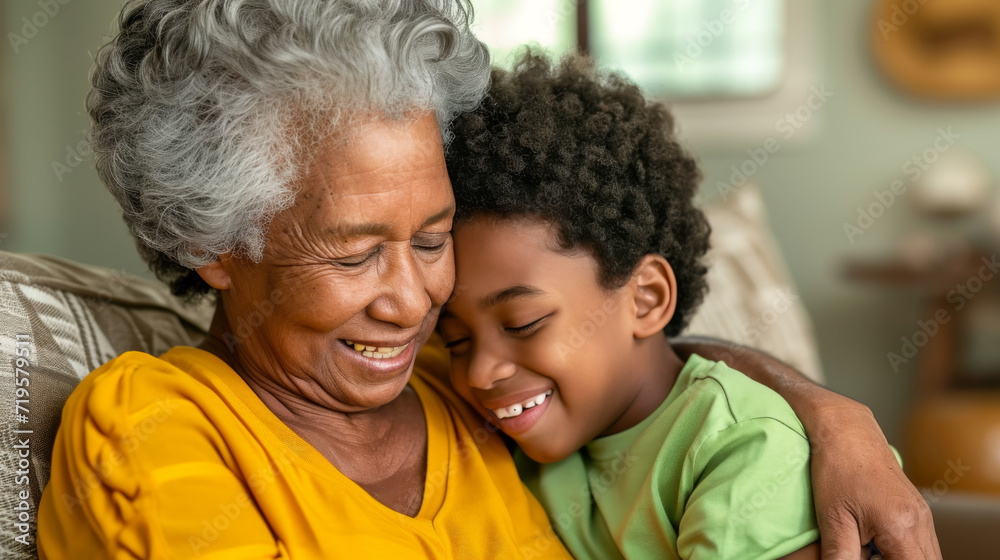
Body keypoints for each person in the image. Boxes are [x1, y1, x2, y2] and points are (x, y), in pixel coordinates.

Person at [36, 0, 940, 559]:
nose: (412, 302)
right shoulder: (155, 426)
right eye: (354, 255)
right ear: (215, 243)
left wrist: (835, 418)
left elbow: (630, 369)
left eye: (432, 239)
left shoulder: (464, 384)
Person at [440, 51, 818, 559]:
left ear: (646, 298)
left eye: (523, 323)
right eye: (457, 340)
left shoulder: (738, 447)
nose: (480, 372)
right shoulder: (520, 447)